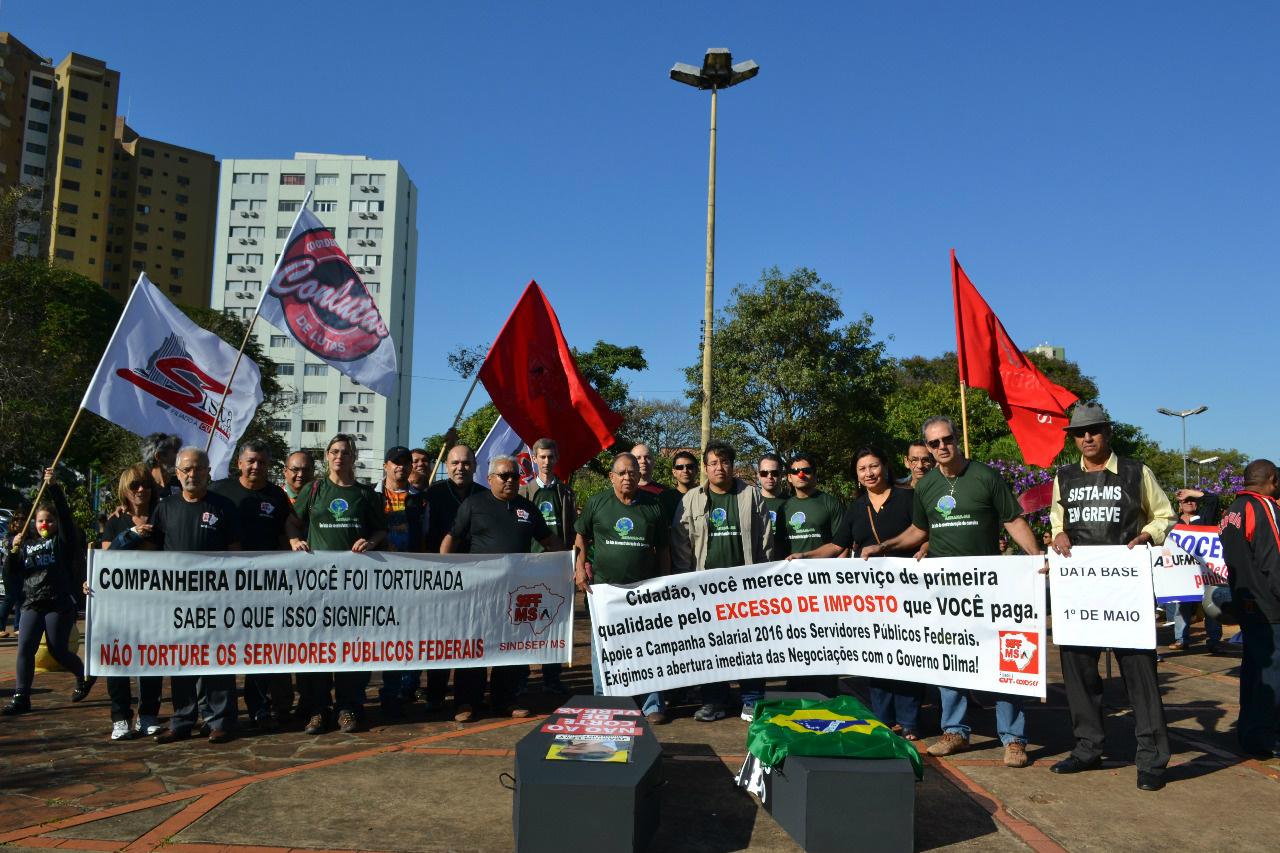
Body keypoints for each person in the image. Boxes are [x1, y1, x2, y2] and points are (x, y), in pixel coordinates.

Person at [863, 416, 1042, 769]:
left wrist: (1036, 558)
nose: (941, 447)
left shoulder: (986, 476)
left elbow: (1013, 520)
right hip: (946, 590)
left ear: (956, 439)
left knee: (1007, 657)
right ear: (926, 447)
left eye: (947, 440)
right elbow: (918, 530)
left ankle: (1014, 738)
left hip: (991, 586)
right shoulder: (926, 485)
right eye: (934, 443)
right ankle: (955, 731)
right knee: (952, 659)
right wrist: (884, 546)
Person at [1048, 402, 1175, 791]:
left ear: (1108, 433)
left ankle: (1152, 761)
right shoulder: (1064, 476)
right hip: (1080, 592)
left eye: (1094, 430)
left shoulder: (1137, 471)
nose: (1086, 437)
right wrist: (1058, 534)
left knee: (1140, 676)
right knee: (1079, 673)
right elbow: (1057, 519)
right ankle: (1087, 748)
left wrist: (1148, 535)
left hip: (1126, 592)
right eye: (1079, 433)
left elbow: (1164, 515)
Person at [793, 446, 924, 739]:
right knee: (877, 660)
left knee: (908, 658)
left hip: (908, 595)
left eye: (874, 466)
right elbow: (836, 545)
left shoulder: (908, 499)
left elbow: (924, 532)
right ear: (856, 475)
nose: (869, 473)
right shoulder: (856, 508)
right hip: (872, 599)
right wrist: (806, 557)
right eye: (862, 469)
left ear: (886, 467)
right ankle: (882, 718)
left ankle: (911, 722)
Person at [443, 455, 564, 719]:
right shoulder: (473, 505)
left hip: (515, 595)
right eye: (504, 476)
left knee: (510, 649)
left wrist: (571, 560)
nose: (510, 480)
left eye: (514, 476)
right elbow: (450, 540)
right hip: (478, 594)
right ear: (489, 479)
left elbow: (549, 540)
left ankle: (505, 701)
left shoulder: (527, 508)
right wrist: (447, 573)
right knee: (474, 646)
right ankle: (466, 702)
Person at [288, 434, 388, 734]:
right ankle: (318, 709)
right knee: (319, 649)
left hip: (355, 587)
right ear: (326, 456)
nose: (339, 457)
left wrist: (371, 541)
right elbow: (292, 521)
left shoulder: (365, 494)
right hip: (318, 585)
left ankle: (349, 708)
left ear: (353, 457)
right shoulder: (313, 489)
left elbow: (381, 529)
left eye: (345, 452)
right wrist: (294, 540)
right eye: (334, 452)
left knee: (351, 649)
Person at [672, 440, 775, 722]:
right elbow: (681, 544)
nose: (720, 468)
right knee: (711, 646)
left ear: (732, 465)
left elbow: (766, 540)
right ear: (705, 468)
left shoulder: (751, 495)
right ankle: (714, 701)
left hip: (746, 587)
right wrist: (686, 582)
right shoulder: (691, 498)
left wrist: (762, 578)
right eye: (714, 463)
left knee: (750, 644)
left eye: (725, 462)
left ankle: (752, 701)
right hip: (705, 589)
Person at [150, 448, 241, 744]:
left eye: (199, 469)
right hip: (176, 602)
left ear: (208, 471)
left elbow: (236, 553)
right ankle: (182, 719)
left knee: (217, 660)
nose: (193, 474)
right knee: (181, 660)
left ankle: (220, 720)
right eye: (187, 469)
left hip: (216, 600)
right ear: (177, 472)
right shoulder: (165, 507)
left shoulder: (223, 506)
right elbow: (150, 553)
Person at [576, 452, 671, 724]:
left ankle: (652, 704)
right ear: (611, 477)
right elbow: (580, 537)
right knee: (603, 651)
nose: (627, 477)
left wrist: (663, 583)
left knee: (648, 648)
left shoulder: (653, 504)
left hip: (644, 591)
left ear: (640, 476)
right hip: (605, 593)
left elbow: (663, 547)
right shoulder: (597, 503)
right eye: (622, 473)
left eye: (632, 473)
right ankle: (607, 702)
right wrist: (580, 567)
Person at [210, 440, 294, 730]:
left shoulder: (277, 496)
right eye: (251, 461)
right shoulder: (219, 491)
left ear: (269, 466)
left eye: (262, 462)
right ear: (240, 463)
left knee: (259, 651)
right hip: (225, 586)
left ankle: (259, 707)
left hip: (265, 587)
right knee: (225, 650)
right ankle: (221, 712)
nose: (256, 466)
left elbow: (287, 536)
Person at [2, 468, 94, 716]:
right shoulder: (26, 544)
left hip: (59, 603)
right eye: (40, 520)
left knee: (58, 650)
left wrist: (54, 488)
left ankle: (82, 675)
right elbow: (11, 571)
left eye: (49, 520)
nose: (45, 524)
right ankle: (21, 696)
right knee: (25, 649)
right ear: (34, 523)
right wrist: (13, 550)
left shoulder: (62, 541)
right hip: (32, 602)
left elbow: (64, 517)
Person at [1217, 459, 1280, 759]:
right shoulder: (1263, 508)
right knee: (1272, 673)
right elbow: (1274, 562)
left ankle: (1249, 730)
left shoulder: (1231, 512)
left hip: (1246, 602)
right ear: (1272, 480)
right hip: (1270, 607)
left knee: (1254, 670)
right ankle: (1264, 737)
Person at [98, 464, 163, 740]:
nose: (140, 490)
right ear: (125, 490)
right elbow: (106, 557)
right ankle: (120, 717)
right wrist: (133, 535)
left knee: (151, 661)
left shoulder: (162, 514)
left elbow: (162, 549)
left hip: (154, 602)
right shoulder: (116, 521)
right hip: (121, 604)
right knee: (118, 661)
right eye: (135, 485)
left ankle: (148, 715)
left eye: (145, 485)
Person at [423, 443, 488, 718]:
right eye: (454, 463)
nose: (460, 468)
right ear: (446, 466)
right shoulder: (432, 494)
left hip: (478, 579)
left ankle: (468, 700)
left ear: (475, 466)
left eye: (465, 463)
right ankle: (435, 696)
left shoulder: (486, 496)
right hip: (440, 578)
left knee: (472, 639)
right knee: (441, 639)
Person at [777, 452, 844, 695]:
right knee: (796, 638)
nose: (801, 475)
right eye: (795, 472)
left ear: (815, 474)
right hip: (792, 587)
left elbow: (842, 544)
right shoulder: (784, 507)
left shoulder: (830, 503)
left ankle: (827, 691)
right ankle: (796, 688)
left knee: (825, 638)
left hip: (824, 585)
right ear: (789, 478)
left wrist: (836, 578)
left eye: (806, 470)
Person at [518, 437, 577, 694]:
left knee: (554, 623)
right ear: (534, 459)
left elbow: (573, 532)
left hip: (557, 567)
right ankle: (519, 678)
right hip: (528, 566)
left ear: (557, 459)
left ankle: (552, 677)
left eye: (550, 457)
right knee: (524, 622)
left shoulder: (565, 493)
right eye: (541, 457)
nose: (546, 462)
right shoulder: (523, 493)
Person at [374, 445, 429, 717]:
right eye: (396, 462)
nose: (401, 467)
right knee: (382, 638)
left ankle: (403, 688)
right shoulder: (370, 496)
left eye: (406, 463)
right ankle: (379, 692)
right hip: (377, 579)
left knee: (409, 635)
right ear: (385, 466)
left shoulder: (420, 499)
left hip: (412, 578)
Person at [1171, 486, 1223, 653]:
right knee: (1182, 607)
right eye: (1185, 500)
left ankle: (1214, 641)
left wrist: (1192, 493)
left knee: (1211, 606)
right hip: (1182, 573)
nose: (1189, 502)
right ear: (1179, 506)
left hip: (1206, 572)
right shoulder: (1172, 523)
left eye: (1192, 499)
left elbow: (1213, 499)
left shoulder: (1205, 518)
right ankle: (1181, 639)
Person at [658, 450, 699, 523]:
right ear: (674, 472)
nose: (685, 470)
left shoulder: (705, 496)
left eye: (690, 467)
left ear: (696, 470)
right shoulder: (664, 498)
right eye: (680, 467)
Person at [141, 433, 183, 498]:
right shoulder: (143, 487)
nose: (179, 455)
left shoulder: (181, 483)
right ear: (158, 456)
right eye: (175, 451)